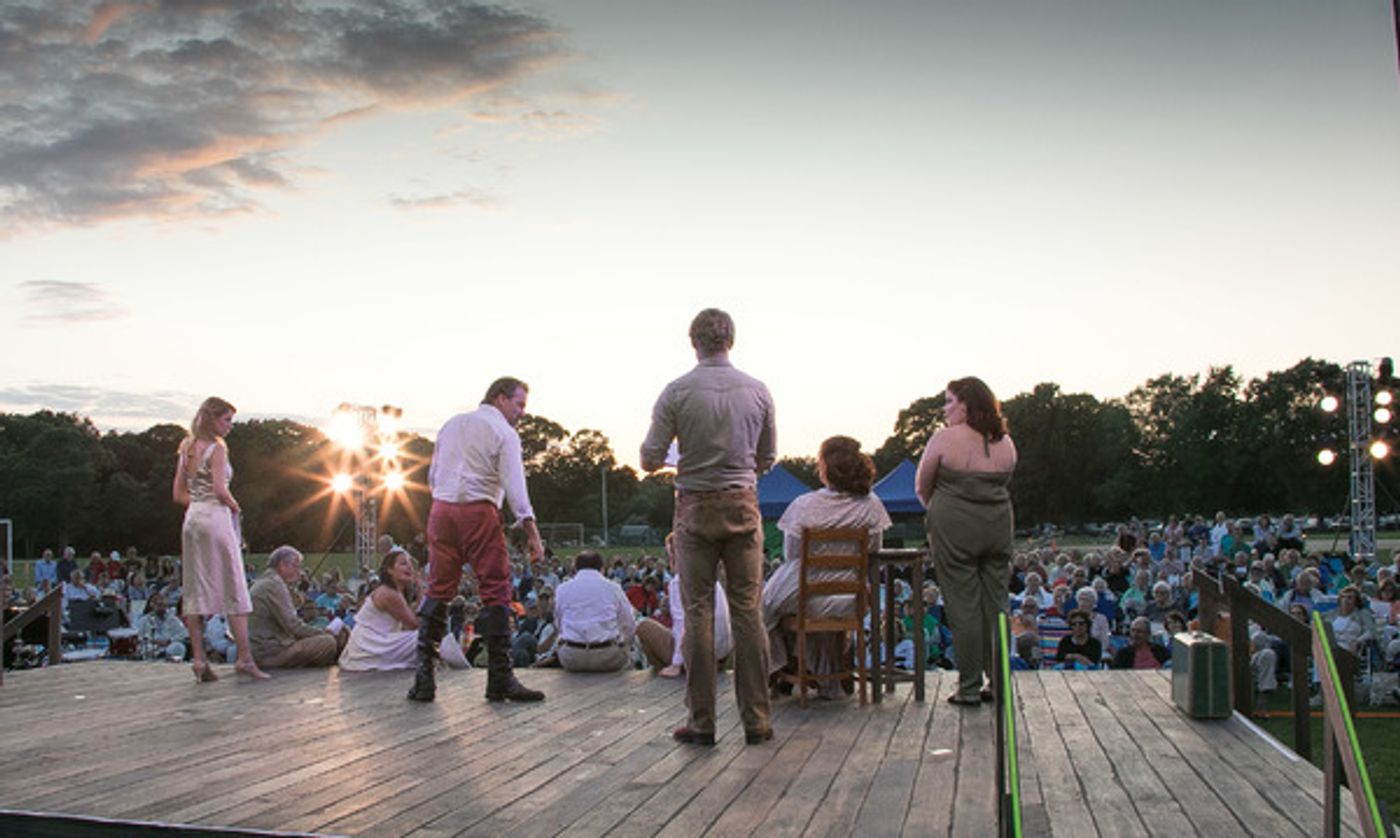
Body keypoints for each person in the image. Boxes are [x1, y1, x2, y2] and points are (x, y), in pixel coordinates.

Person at [641, 308, 776, 746]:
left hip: (695, 507)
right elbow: (767, 457)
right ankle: (757, 719)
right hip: (742, 504)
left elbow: (649, 456)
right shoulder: (758, 391)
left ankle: (702, 721)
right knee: (747, 610)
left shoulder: (676, 391)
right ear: (730, 340)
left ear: (693, 341)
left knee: (697, 610)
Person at [409, 377, 545, 703]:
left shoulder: (452, 423)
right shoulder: (504, 433)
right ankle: (500, 678)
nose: (522, 412)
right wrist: (533, 535)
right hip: (478, 510)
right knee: (496, 589)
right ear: (500, 399)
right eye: (520, 404)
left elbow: (433, 475)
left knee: (438, 589)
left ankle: (423, 680)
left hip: (441, 511)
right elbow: (516, 489)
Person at [761, 436, 891, 699]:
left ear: (825, 468)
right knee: (794, 605)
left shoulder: (805, 505)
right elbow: (873, 550)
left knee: (765, 608)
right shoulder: (871, 505)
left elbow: (791, 553)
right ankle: (819, 673)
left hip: (804, 590)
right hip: (850, 596)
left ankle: (783, 666)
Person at [915, 376, 1018, 706]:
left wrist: (943, 511)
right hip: (999, 524)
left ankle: (970, 686)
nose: (945, 409)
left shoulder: (945, 439)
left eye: (949, 401)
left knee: (963, 607)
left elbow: (922, 486)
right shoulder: (1006, 443)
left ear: (966, 405)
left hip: (954, 527)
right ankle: (999, 681)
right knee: (997, 604)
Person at [172, 397, 266, 683]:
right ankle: (245, 658)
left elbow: (178, 495)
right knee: (234, 585)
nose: (229, 427)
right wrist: (235, 506)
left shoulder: (185, 448)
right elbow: (219, 488)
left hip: (192, 519)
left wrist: (199, 502)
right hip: (215, 517)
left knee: (196, 588)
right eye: (226, 420)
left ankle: (199, 660)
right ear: (213, 419)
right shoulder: (217, 448)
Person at [637, 533, 732, 678]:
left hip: (697, 657)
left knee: (644, 626)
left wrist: (676, 663)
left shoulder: (680, 581)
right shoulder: (710, 578)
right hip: (720, 654)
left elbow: (682, 623)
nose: (670, 561)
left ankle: (676, 670)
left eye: (670, 555)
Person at [249, 545, 346, 669]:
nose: (299, 572)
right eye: (297, 566)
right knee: (329, 642)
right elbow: (294, 627)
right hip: (272, 653)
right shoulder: (274, 585)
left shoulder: (268, 582)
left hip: (265, 650)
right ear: (283, 565)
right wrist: (324, 633)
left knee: (334, 635)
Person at [553, 550, 636, 672]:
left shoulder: (562, 589)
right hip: (607, 657)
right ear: (602, 568)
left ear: (575, 568)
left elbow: (558, 624)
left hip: (572, 658)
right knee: (630, 657)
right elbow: (628, 624)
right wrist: (624, 642)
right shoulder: (613, 588)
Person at [137, 593, 190, 661]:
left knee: (179, 647)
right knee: (146, 647)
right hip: (153, 645)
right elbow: (141, 636)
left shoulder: (173, 619)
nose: (162, 608)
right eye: (159, 605)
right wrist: (154, 641)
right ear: (152, 605)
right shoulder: (144, 620)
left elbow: (184, 634)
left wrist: (170, 640)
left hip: (169, 646)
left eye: (164, 606)